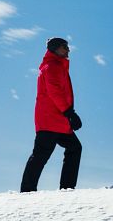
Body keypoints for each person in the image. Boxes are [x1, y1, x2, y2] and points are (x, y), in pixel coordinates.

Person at [20, 37, 83, 192]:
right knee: (41, 154)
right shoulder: (52, 66)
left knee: (74, 148)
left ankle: (67, 188)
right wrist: (70, 113)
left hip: (58, 120)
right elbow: (54, 91)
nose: (68, 50)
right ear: (55, 48)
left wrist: (68, 115)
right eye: (64, 47)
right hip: (50, 120)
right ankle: (27, 191)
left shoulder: (58, 66)